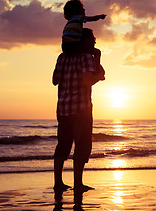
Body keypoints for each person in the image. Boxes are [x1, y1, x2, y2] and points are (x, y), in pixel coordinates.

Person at [52, 28, 104, 196]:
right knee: (82, 146)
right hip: (81, 109)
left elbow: (54, 80)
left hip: (63, 109)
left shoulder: (62, 58)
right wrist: (99, 75)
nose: (94, 41)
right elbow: (88, 80)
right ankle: (78, 184)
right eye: (92, 39)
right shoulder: (86, 57)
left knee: (63, 145)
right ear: (84, 41)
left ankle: (58, 183)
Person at [62, 0, 106, 80]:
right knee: (97, 52)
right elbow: (92, 18)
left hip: (65, 46)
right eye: (83, 9)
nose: (84, 10)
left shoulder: (70, 20)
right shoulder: (79, 18)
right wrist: (100, 16)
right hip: (75, 45)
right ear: (77, 10)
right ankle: (97, 69)